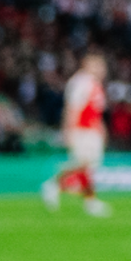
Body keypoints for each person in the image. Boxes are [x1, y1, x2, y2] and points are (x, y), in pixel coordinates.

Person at [41, 53, 112, 218]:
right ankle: (55, 186)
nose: (103, 70)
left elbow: (95, 112)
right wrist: (69, 130)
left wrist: (101, 129)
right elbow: (73, 108)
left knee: (87, 166)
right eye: (99, 66)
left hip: (92, 130)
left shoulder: (94, 84)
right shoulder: (81, 82)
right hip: (82, 130)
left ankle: (87, 200)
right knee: (83, 163)